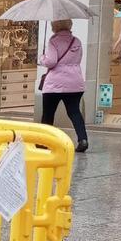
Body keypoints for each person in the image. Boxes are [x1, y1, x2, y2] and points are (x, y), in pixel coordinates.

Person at [38, 19, 89, 152]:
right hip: (75, 82)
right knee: (74, 112)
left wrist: (42, 58)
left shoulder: (53, 41)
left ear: (55, 26)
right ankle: (83, 139)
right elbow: (77, 59)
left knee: (48, 114)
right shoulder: (76, 41)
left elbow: (51, 62)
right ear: (69, 25)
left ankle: (44, 142)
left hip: (55, 84)